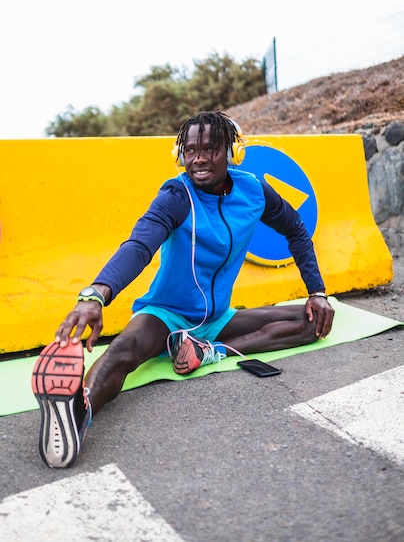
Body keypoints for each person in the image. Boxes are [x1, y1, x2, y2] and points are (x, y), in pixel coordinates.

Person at [31, 111, 334, 468]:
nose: (199, 158)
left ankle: (207, 350)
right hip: (166, 314)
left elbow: (296, 229)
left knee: (312, 319)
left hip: (217, 318)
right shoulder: (177, 195)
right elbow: (139, 246)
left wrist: (317, 290)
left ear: (232, 152)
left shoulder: (253, 190)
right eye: (190, 150)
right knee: (123, 351)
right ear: (181, 156)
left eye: (210, 149)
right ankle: (77, 414)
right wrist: (95, 294)